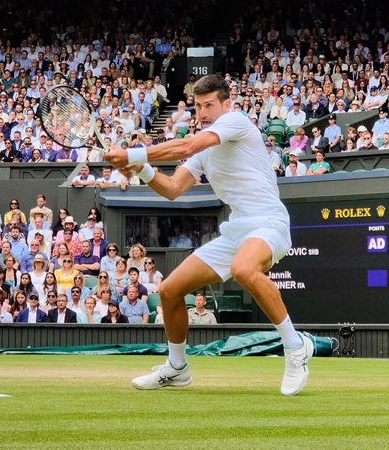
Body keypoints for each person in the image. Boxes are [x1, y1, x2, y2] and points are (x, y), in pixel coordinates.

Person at [104, 74, 313, 395]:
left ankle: (295, 346)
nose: (202, 112)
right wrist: (141, 171)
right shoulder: (204, 151)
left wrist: (132, 155)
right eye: (198, 106)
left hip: (269, 223)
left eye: (209, 105)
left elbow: (186, 144)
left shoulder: (236, 121)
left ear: (226, 105)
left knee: (245, 269)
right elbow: (173, 189)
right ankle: (177, 367)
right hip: (236, 231)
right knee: (170, 290)